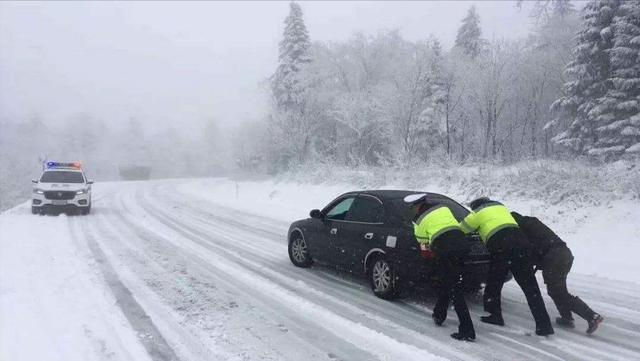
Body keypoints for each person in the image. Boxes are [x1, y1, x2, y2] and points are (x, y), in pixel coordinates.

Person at [459, 197, 554, 336]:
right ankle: (544, 325)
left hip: (502, 247)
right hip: (522, 244)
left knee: (494, 283)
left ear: (476, 206)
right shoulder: (502, 209)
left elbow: (463, 229)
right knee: (531, 288)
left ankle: (495, 315)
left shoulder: (477, 213)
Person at [511, 211, 604, 334]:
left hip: (553, 257)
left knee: (558, 292)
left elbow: (529, 249)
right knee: (557, 290)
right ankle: (566, 318)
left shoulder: (522, 229)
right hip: (564, 253)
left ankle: (592, 316)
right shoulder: (531, 222)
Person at [405, 193, 476, 341]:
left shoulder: (418, 222)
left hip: (446, 250)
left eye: (412, 207)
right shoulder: (443, 208)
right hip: (463, 245)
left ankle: (467, 330)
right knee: (450, 283)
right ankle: (439, 314)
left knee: (454, 289)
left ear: (417, 206)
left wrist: (430, 265)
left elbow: (425, 249)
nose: (412, 210)